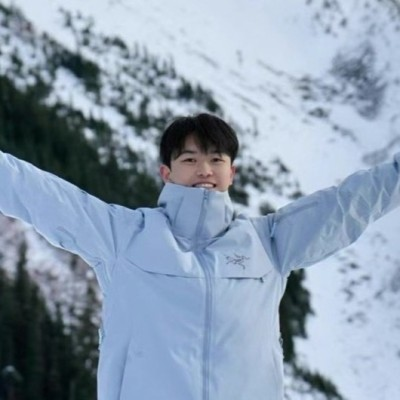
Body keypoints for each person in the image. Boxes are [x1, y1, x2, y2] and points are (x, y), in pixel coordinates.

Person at [0, 112, 399, 400]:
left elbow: (345, 206)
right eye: (189, 159)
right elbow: (42, 196)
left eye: (216, 159)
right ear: (167, 173)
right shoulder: (124, 238)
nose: (204, 169)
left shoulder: (269, 243)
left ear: (232, 173)